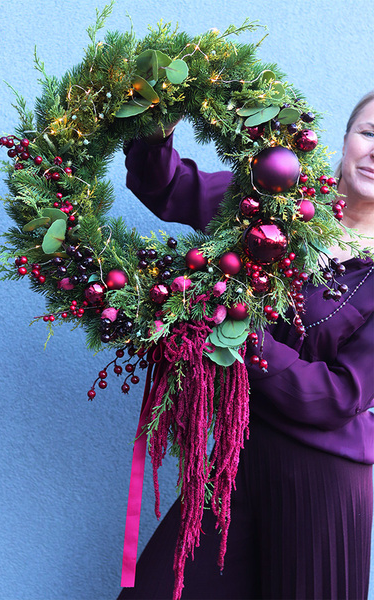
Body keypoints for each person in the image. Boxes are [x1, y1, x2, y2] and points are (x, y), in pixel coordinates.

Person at [118, 92, 374, 600]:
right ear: (343, 140)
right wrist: (157, 127)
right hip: (240, 454)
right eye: (370, 133)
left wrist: (242, 333)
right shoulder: (279, 203)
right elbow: (172, 188)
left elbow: (342, 395)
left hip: (323, 480)